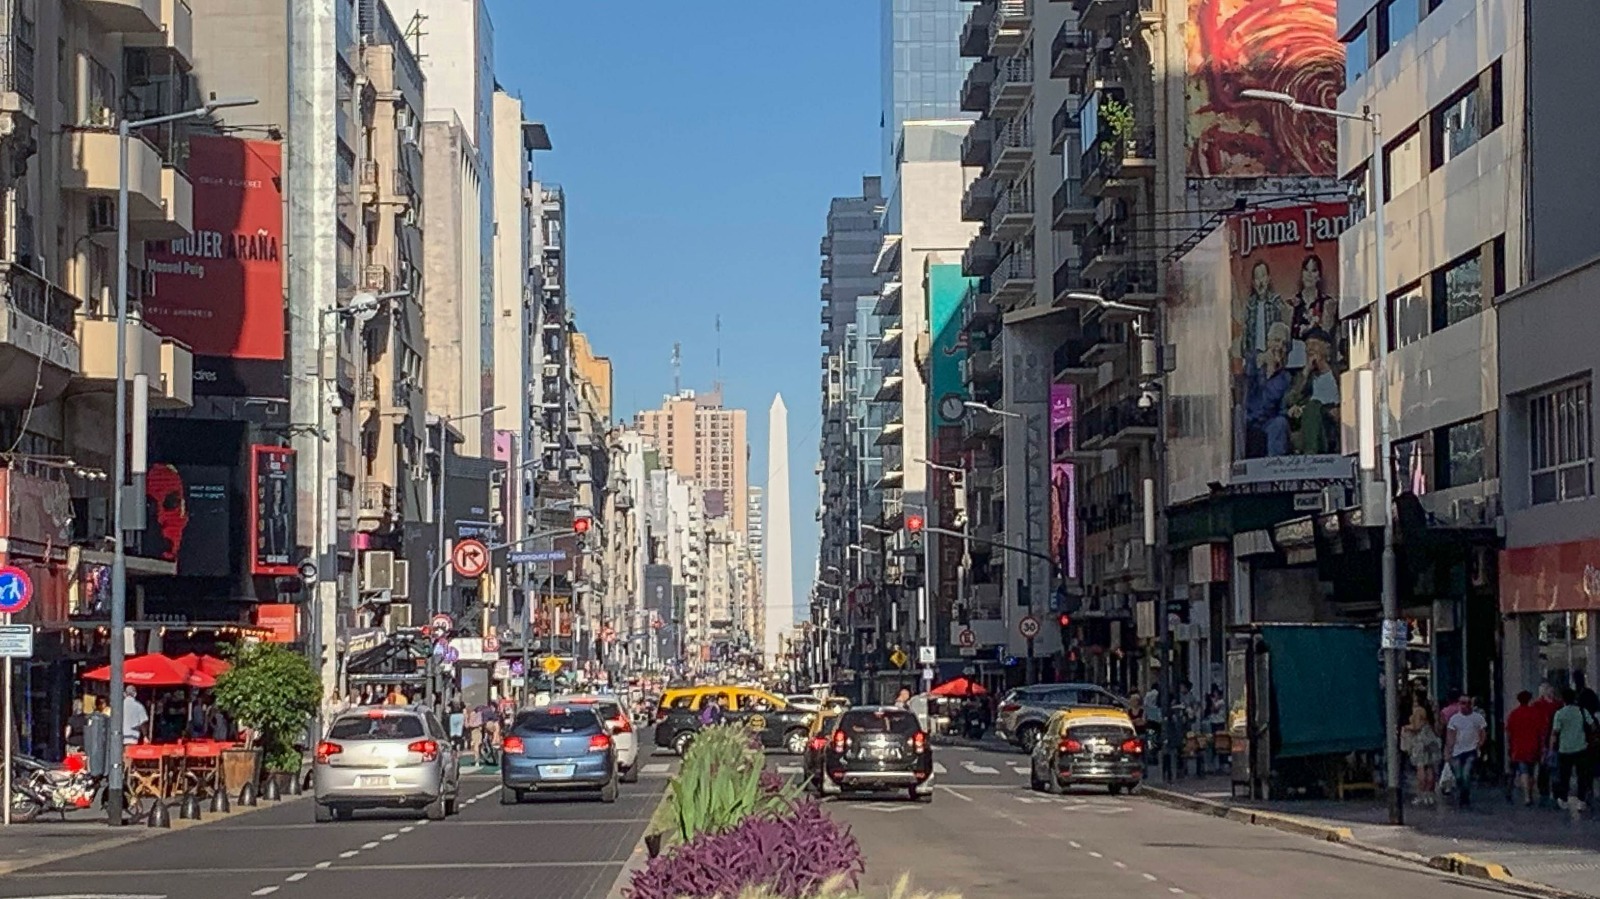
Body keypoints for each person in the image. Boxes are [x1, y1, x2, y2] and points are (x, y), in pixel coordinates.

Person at [1551, 687, 1597, 812]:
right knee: (1581, 775)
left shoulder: (1559, 713)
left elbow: (1555, 732)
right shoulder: (1582, 711)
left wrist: (1551, 748)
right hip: (1581, 747)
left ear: (1563, 699)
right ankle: (1581, 800)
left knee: (1564, 775)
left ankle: (1564, 799)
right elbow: (1592, 726)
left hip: (1565, 749)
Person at [1443, 694, 1488, 808]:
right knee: (1458, 776)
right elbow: (1450, 735)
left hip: (1471, 750)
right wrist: (1448, 750)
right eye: (1463, 703)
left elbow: (1483, 732)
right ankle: (1462, 792)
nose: (1466, 706)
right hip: (1457, 751)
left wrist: (1480, 745)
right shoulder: (1454, 719)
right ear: (1459, 704)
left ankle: (1465, 797)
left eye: (1468, 703)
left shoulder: (1478, 718)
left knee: (1466, 774)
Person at [1505, 690, 1543, 806]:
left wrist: (1509, 746)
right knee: (1531, 772)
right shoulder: (1536, 713)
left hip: (1518, 747)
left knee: (1523, 771)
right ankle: (1529, 793)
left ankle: (1527, 796)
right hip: (1533, 746)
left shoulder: (1514, 714)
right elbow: (1541, 731)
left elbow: (1509, 732)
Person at [1401, 705, 1441, 805]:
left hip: (1420, 742)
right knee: (1430, 768)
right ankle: (1429, 794)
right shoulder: (1429, 710)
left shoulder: (1418, 710)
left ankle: (1421, 794)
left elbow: (1417, 726)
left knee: (1421, 767)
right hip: (1430, 740)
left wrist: (1406, 727)